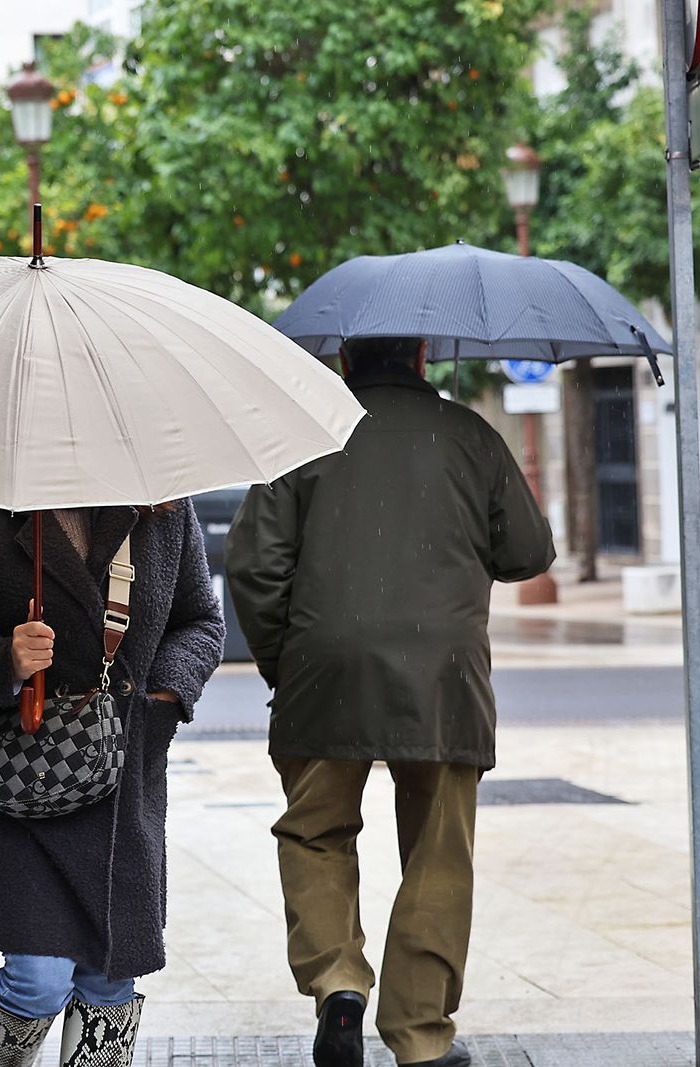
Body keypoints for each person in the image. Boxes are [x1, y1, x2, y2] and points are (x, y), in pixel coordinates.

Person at [224, 336, 555, 1067]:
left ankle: (339, 983)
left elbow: (253, 565)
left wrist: (288, 660)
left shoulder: (301, 436)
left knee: (315, 830)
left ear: (344, 360)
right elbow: (528, 551)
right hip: (443, 677)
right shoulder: (472, 435)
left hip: (324, 665)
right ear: (423, 356)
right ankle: (419, 1033)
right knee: (439, 848)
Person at [0, 503, 224, 1067]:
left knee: (107, 979)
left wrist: (164, 696)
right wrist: (3, 657)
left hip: (120, 776)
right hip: (10, 778)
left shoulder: (162, 504)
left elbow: (199, 623)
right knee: (38, 980)